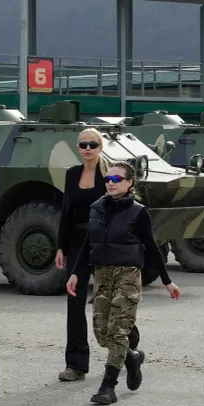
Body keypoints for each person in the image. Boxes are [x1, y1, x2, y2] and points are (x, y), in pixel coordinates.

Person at [66, 161, 180, 405]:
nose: (111, 183)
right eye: (108, 179)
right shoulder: (96, 208)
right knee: (102, 333)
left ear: (129, 183)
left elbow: (151, 246)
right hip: (101, 275)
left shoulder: (138, 212)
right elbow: (89, 243)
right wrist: (75, 273)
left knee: (118, 332)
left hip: (127, 275)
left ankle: (108, 386)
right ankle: (132, 358)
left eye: (117, 179)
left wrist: (167, 281)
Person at [55, 128, 142, 387]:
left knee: (114, 304)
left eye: (93, 144)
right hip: (76, 245)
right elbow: (66, 212)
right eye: (83, 144)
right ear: (78, 147)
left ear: (101, 146)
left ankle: (128, 348)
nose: (88, 148)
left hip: (104, 245)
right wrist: (60, 246)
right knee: (74, 304)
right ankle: (76, 365)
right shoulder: (72, 174)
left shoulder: (110, 175)